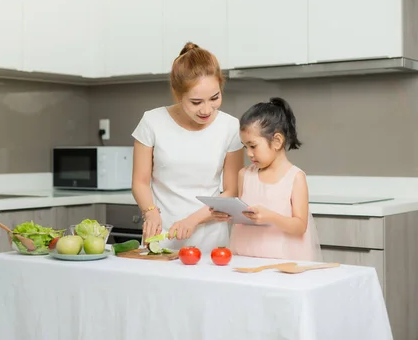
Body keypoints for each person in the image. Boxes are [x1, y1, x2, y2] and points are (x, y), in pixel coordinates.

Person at [131, 42, 245, 254]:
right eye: (196, 102)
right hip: (162, 233)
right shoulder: (152, 121)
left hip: (211, 237)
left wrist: (193, 220)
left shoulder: (230, 127)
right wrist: (150, 213)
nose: (206, 109)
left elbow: (232, 190)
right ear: (177, 93)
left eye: (215, 98)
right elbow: (140, 182)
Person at [213, 97, 322, 262]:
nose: (249, 153)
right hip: (244, 256)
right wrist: (229, 215)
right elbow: (242, 217)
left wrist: (270, 217)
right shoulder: (244, 174)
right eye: (245, 147)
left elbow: (300, 227)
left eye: (253, 146)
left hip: (282, 260)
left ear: (277, 141)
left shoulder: (295, 177)